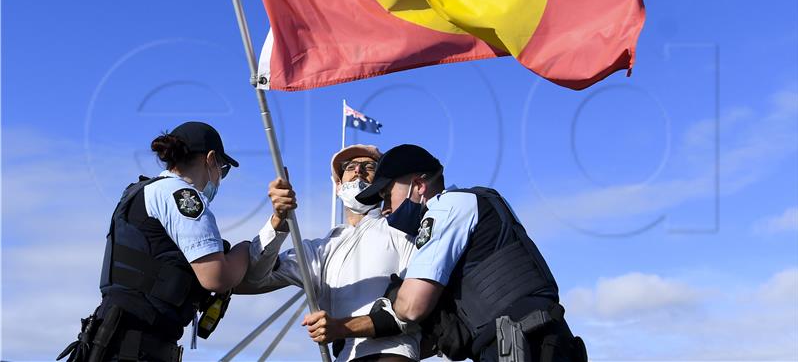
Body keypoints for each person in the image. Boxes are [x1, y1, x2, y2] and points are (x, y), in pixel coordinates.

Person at [301, 144, 587, 362]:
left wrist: (351, 324)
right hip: (524, 342)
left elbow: (412, 306)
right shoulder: (470, 204)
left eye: (388, 195)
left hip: (526, 345)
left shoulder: (447, 208)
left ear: (419, 185)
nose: (385, 208)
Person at [57, 122, 281, 362]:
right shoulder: (183, 196)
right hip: (135, 349)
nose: (220, 178)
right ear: (210, 159)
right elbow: (217, 277)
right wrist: (244, 250)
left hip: (111, 341)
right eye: (222, 170)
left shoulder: (142, 191)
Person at [237, 144, 420, 362]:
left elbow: (417, 310)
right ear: (337, 185)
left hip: (392, 354)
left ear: (382, 185)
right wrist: (278, 220)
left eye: (369, 166)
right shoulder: (319, 249)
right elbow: (254, 279)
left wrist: (342, 327)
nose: (358, 171)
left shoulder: (403, 231)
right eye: (350, 166)